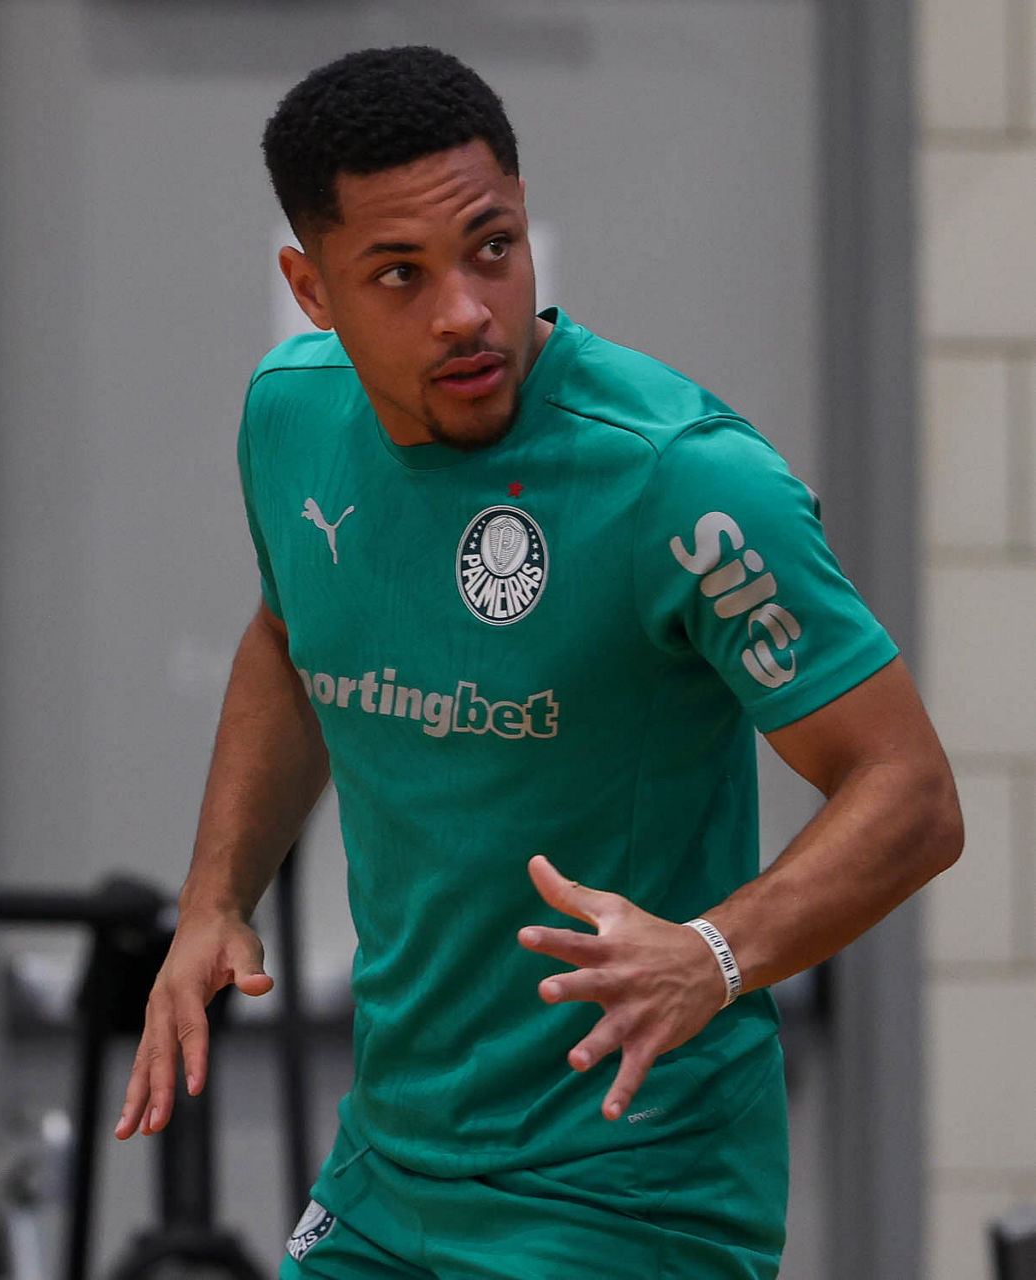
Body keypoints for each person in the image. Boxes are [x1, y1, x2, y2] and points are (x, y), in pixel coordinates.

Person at [115, 45, 962, 1279]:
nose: (465, 310)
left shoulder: (684, 477)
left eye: (493, 248)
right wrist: (214, 896)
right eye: (400, 274)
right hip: (389, 1168)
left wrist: (714, 952)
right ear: (312, 288)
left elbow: (911, 792)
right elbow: (292, 637)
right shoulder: (288, 417)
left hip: (625, 1189)